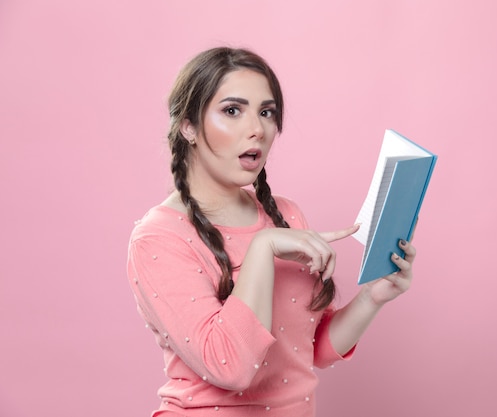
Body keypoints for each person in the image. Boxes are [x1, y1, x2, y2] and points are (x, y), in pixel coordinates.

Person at [127, 47, 416, 417]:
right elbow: (230, 367)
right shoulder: (160, 238)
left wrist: (373, 296)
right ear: (188, 126)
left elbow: (310, 351)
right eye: (233, 110)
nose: (257, 129)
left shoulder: (285, 215)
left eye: (266, 112)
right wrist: (262, 248)